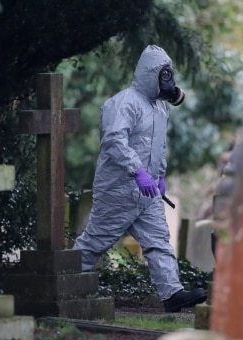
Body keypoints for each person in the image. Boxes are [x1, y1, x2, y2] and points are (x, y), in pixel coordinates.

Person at [73, 45, 207, 313]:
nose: (168, 82)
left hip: (147, 194)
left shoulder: (160, 109)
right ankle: (60, 283)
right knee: (94, 242)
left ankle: (172, 294)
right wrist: (138, 171)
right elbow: (113, 140)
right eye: (164, 76)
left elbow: (159, 147)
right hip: (118, 190)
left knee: (159, 242)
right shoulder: (124, 103)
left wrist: (159, 176)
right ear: (152, 74)